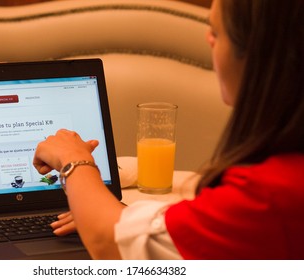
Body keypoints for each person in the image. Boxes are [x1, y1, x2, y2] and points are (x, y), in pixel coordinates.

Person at [33, 0, 304, 259]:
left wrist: (73, 159)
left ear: (261, 53)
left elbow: (110, 242)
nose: (208, 40)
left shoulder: (266, 197)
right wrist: (100, 209)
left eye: (217, 32)